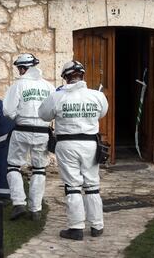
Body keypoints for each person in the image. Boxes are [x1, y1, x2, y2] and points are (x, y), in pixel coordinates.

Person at [38, 60, 108, 240]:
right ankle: (97, 225)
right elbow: (102, 113)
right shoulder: (96, 96)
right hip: (90, 144)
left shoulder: (57, 96)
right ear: (82, 75)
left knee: (73, 185)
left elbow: (43, 114)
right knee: (92, 185)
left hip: (67, 144)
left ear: (66, 78)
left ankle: (76, 227)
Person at [3, 53, 56, 221]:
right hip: (42, 131)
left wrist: (19, 116)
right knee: (39, 169)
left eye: (20, 69)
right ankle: (36, 209)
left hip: (21, 130)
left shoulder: (18, 86)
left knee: (13, 166)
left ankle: (19, 203)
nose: (19, 72)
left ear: (23, 68)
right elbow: (53, 111)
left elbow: (8, 111)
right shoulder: (49, 86)